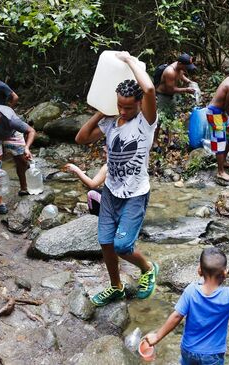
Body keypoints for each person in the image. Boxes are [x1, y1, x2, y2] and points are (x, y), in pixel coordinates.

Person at [75, 51, 159, 307]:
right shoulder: (112, 122)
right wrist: (102, 111)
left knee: (123, 245)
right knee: (106, 243)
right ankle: (116, 287)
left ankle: (147, 268)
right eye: (119, 105)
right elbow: (81, 138)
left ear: (139, 105)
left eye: (128, 107)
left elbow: (150, 89)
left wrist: (131, 62)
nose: (123, 110)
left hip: (135, 194)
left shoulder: (146, 122)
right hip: (111, 191)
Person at [154, 53, 197, 149]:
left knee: (171, 118)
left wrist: (189, 82)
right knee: (160, 119)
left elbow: (181, 76)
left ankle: (170, 142)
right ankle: (154, 142)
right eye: (186, 66)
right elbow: (171, 89)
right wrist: (186, 90)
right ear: (180, 63)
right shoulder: (170, 72)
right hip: (163, 96)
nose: (187, 69)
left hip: (171, 96)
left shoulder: (180, 68)